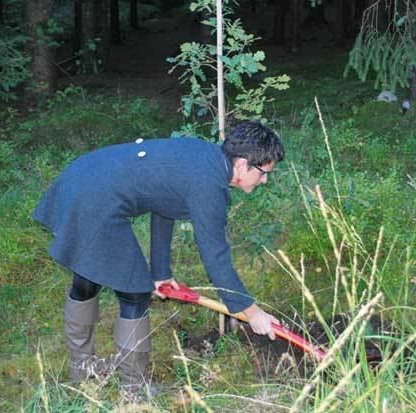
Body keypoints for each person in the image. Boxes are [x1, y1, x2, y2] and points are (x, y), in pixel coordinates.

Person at [32, 121, 284, 397]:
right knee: (134, 293)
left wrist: (160, 271)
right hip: (97, 198)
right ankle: (133, 391)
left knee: (88, 275)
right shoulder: (209, 185)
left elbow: (163, 201)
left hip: (82, 176)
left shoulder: (205, 156)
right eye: (262, 173)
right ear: (242, 164)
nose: (264, 180)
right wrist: (252, 312)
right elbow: (216, 258)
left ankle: (82, 369)